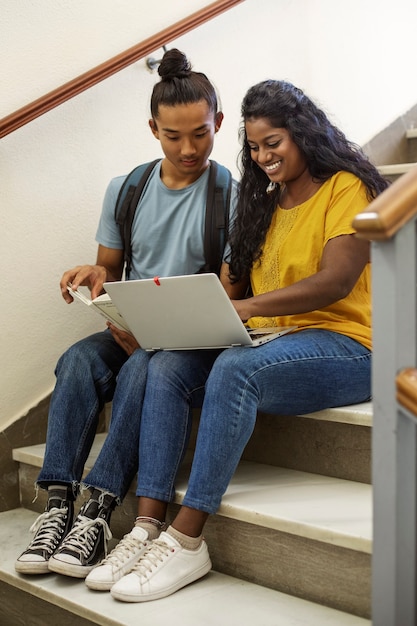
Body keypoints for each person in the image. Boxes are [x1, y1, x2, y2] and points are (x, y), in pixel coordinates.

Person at [85, 79, 388, 602]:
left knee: (233, 370)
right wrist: (190, 316)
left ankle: (188, 538)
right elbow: (232, 280)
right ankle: (147, 525)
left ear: (302, 133)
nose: (263, 155)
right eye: (253, 146)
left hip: (348, 345)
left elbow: (334, 282)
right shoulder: (264, 201)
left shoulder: (345, 188)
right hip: (271, 339)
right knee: (168, 363)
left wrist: (242, 309)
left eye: (274, 142)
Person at [15, 48, 236, 578]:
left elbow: (227, 295)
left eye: (201, 134)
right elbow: (109, 270)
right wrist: (97, 281)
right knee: (75, 362)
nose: (188, 148)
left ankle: (98, 511)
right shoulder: (127, 189)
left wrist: (161, 337)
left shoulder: (230, 192)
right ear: (153, 129)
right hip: (132, 329)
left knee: (143, 368)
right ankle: (58, 506)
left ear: (219, 124)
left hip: (185, 342)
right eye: (173, 136)